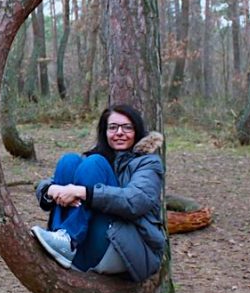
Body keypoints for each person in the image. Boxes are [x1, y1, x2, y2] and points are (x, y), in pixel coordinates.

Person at [32, 104, 165, 282]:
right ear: (105, 132)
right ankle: (61, 238)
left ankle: (68, 240)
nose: (119, 132)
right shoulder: (93, 158)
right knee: (69, 161)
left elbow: (136, 201)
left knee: (94, 164)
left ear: (137, 131)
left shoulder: (148, 163)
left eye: (127, 127)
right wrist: (49, 189)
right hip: (87, 245)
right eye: (113, 127)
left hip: (124, 249)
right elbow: (47, 184)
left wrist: (84, 192)